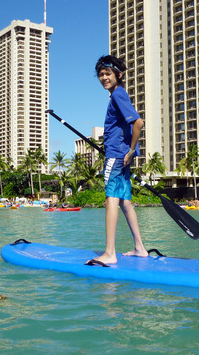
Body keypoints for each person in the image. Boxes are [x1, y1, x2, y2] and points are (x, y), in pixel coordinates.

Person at [87, 55, 147, 266]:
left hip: (116, 155)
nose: (104, 77)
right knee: (124, 200)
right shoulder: (117, 95)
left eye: (108, 74)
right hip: (121, 156)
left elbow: (138, 122)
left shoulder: (118, 95)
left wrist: (130, 150)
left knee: (111, 198)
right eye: (101, 75)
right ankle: (140, 247)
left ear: (118, 75)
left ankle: (110, 253)